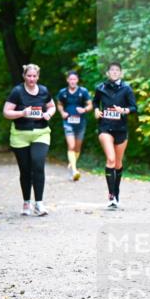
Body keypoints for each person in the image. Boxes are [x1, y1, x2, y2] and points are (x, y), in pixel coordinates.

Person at [2, 64, 56, 216]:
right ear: (24, 76)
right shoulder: (17, 91)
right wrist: (22, 113)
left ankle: (39, 204)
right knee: (25, 170)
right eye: (29, 76)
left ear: (38, 77)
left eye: (34, 76)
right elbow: (6, 112)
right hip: (20, 134)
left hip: (41, 132)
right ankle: (26, 202)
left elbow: (52, 107)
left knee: (38, 164)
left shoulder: (44, 91)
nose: (31, 79)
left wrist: (49, 114)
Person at [93, 62, 138, 209]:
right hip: (105, 127)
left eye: (117, 70)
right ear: (107, 73)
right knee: (110, 159)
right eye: (111, 70)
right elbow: (95, 103)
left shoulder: (126, 88)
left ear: (121, 73)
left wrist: (123, 110)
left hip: (121, 129)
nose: (114, 72)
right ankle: (111, 196)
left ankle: (116, 193)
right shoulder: (100, 88)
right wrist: (96, 110)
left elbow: (134, 108)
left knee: (118, 163)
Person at [56, 71, 93, 181]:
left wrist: (84, 109)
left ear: (77, 80)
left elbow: (90, 105)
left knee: (77, 147)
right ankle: (74, 170)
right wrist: (62, 113)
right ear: (67, 80)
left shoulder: (83, 91)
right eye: (70, 79)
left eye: (74, 79)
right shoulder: (63, 92)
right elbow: (59, 104)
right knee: (71, 146)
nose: (72, 81)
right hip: (68, 122)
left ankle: (72, 163)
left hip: (81, 122)